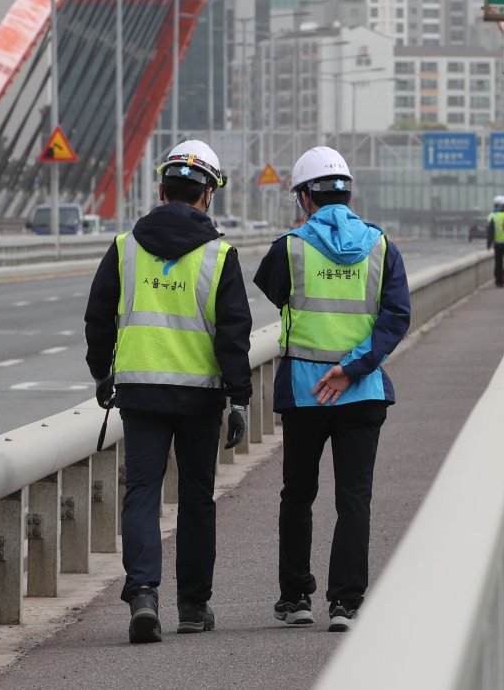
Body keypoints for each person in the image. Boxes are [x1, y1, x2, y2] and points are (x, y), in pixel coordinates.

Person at [84, 139, 252, 644]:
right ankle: (194, 608)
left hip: (139, 392)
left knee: (142, 493)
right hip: (200, 397)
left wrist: (101, 373)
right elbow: (233, 334)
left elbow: (98, 318)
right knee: (198, 499)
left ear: (161, 190)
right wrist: (240, 397)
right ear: (208, 196)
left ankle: (142, 595)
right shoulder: (220, 255)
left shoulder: (124, 247)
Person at [253, 146, 411, 632]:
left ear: (304, 197)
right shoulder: (381, 246)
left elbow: (274, 291)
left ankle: (295, 598)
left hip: (304, 393)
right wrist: (355, 366)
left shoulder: (290, 247)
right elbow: (397, 316)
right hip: (361, 393)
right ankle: (345, 604)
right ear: (348, 192)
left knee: (298, 495)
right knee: (354, 499)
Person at [488, 195, 504, 287]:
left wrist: (489, 243)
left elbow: (490, 230)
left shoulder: (494, 216)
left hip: (497, 243)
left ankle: (498, 282)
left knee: (498, 263)